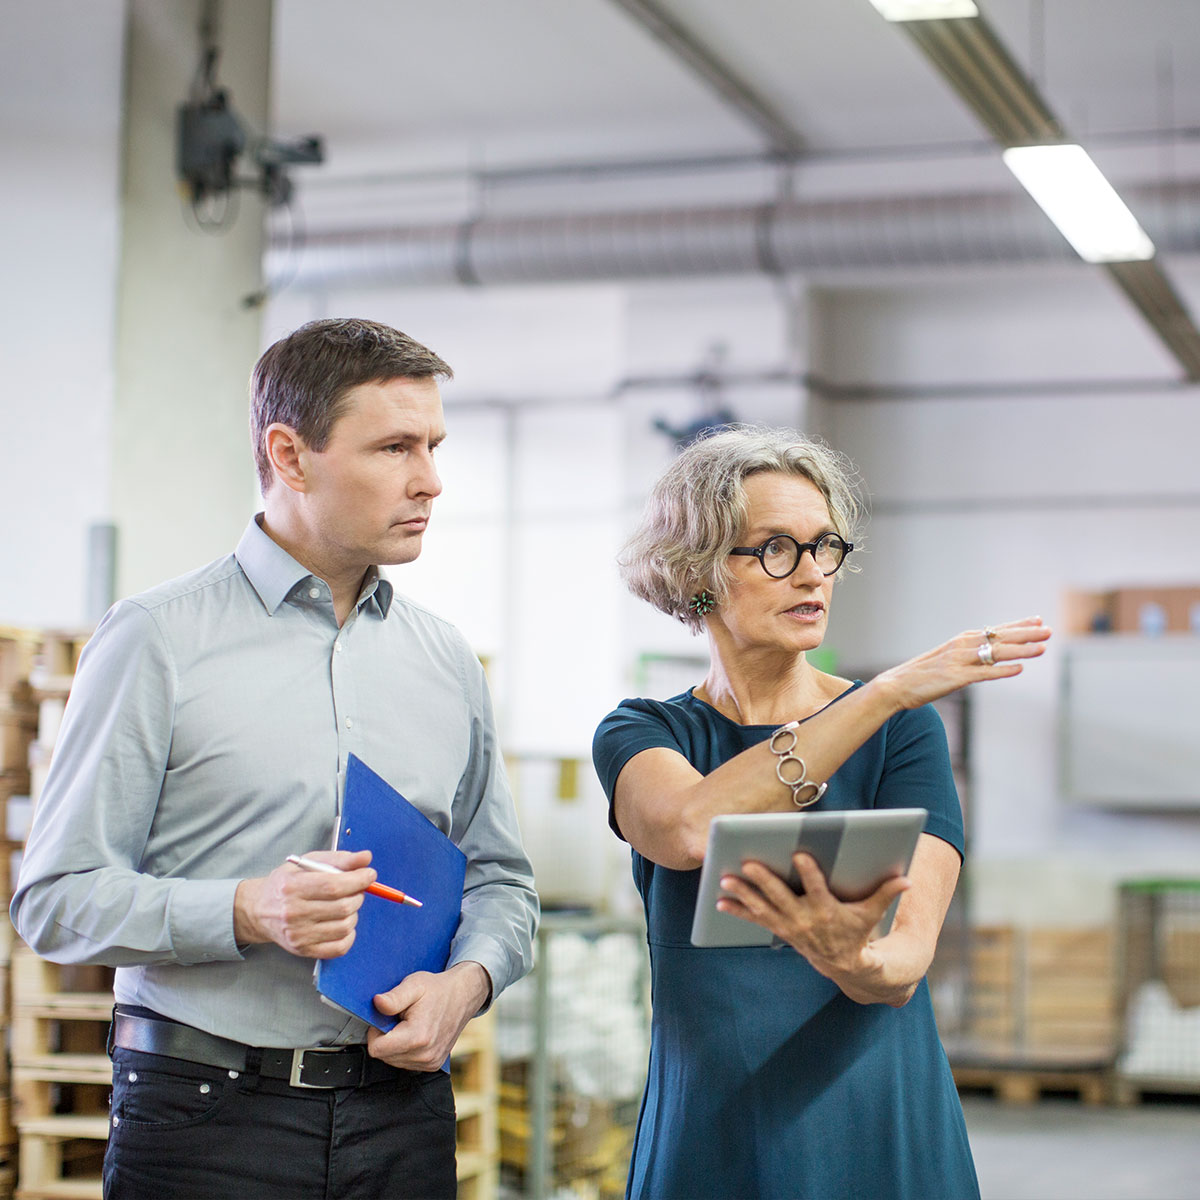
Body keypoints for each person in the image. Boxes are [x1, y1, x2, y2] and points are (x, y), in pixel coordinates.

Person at [11, 318, 539, 1200]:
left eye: (435, 446)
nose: (431, 481)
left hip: (402, 1117)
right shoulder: (157, 641)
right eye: (397, 447)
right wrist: (251, 909)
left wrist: (468, 984)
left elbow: (502, 880)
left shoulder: (445, 660)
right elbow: (55, 901)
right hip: (205, 1120)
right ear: (289, 455)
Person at [592, 426, 1051, 1200]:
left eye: (824, 547)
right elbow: (683, 829)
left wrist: (853, 960)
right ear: (698, 574)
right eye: (775, 549)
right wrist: (882, 691)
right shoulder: (644, 730)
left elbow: (904, 964)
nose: (812, 575)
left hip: (877, 1115)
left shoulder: (903, 730)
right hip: (714, 1124)